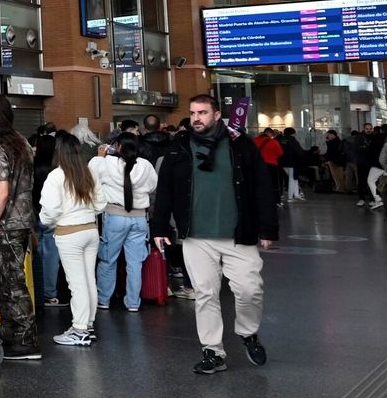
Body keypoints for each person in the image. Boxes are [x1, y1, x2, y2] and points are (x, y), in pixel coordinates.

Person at [151, 94, 277, 376]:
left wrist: (268, 228)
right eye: (193, 113)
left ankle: (248, 332)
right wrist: (159, 227)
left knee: (250, 289)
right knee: (205, 294)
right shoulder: (179, 146)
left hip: (237, 234)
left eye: (203, 113)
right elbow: (166, 189)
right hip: (197, 237)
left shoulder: (239, 144)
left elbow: (261, 186)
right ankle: (213, 351)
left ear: (217, 115)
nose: (196, 118)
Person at [0, 95, 40, 361]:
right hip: (25, 220)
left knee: (8, 283)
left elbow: (2, 192)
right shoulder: (22, 142)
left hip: (7, 223)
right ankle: (17, 337)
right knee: (14, 279)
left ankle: (24, 341)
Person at [40, 132, 105, 347]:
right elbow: (101, 204)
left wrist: (48, 222)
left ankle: (79, 330)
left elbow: (50, 211)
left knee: (76, 284)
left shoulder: (56, 176)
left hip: (69, 233)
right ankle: (88, 326)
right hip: (91, 230)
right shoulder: (89, 172)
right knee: (89, 280)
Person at [91, 135, 159, 313]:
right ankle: (133, 303)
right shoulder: (145, 165)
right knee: (135, 263)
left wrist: (100, 156)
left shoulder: (106, 163)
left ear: (119, 147)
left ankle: (104, 300)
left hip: (115, 217)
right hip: (139, 218)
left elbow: (91, 176)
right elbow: (153, 186)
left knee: (108, 260)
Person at [31, 133, 62, 308]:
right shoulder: (56, 170)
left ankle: (35, 290)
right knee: (51, 257)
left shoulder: (31, 166)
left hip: (34, 215)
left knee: (36, 255)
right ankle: (49, 293)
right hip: (52, 217)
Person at [279, 127, 307, 202]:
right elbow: (299, 151)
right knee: (292, 179)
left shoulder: (280, 140)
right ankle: (290, 197)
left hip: (283, 162)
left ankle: (296, 194)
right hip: (292, 162)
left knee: (294, 179)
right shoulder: (292, 140)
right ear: (293, 133)